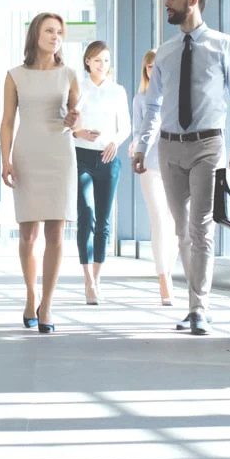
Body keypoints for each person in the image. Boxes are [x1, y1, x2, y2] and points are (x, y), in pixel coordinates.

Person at [131, 0, 230, 335]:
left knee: (201, 228)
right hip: (168, 148)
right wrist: (141, 147)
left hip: (208, 145)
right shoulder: (166, 51)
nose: (166, 3)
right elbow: (152, 106)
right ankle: (194, 305)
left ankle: (199, 307)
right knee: (181, 230)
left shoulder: (224, 46)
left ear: (193, 1)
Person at [0, 12, 80, 333]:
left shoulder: (70, 75)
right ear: (35, 34)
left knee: (56, 235)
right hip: (27, 153)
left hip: (59, 154)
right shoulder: (15, 75)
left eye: (59, 32)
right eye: (49, 30)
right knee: (27, 235)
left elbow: (77, 117)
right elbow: (7, 121)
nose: (55, 36)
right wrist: (5, 160)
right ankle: (31, 293)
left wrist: (76, 120)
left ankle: (47, 303)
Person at [72, 40, 131, 304]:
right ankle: (87, 281)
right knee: (86, 215)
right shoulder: (77, 88)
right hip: (80, 156)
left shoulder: (117, 91)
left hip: (108, 158)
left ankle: (97, 278)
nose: (102, 65)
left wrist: (114, 142)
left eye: (106, 60)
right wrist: (78, 132)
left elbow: (126, 126)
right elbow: (67, 121)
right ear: (87, 61)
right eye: (97, 60)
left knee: (104, 222)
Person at [129, 49, 178, 306]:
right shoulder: (140, 99)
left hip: (175, 164)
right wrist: (136, 144)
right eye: (149, 66)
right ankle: (164, 278)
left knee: (176, 224)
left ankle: (168, 268)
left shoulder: (174, 97)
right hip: (149, 164)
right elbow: (138, 129)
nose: (153, 70)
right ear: (145, 70)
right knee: (159, 220)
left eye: (156, 66)